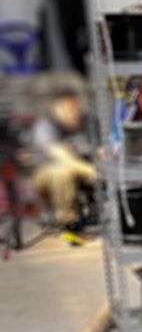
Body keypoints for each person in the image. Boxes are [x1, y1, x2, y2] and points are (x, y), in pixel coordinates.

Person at [31, 87, 95, 242]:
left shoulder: (88, 123)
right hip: (47, 173)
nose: (73, 113)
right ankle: (68, 223)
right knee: (62, 171)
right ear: (55, 109)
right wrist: (92, 170)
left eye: (76, 108)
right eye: (68, 109)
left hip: (84, 169)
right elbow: (63, 159)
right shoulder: (45, 126)